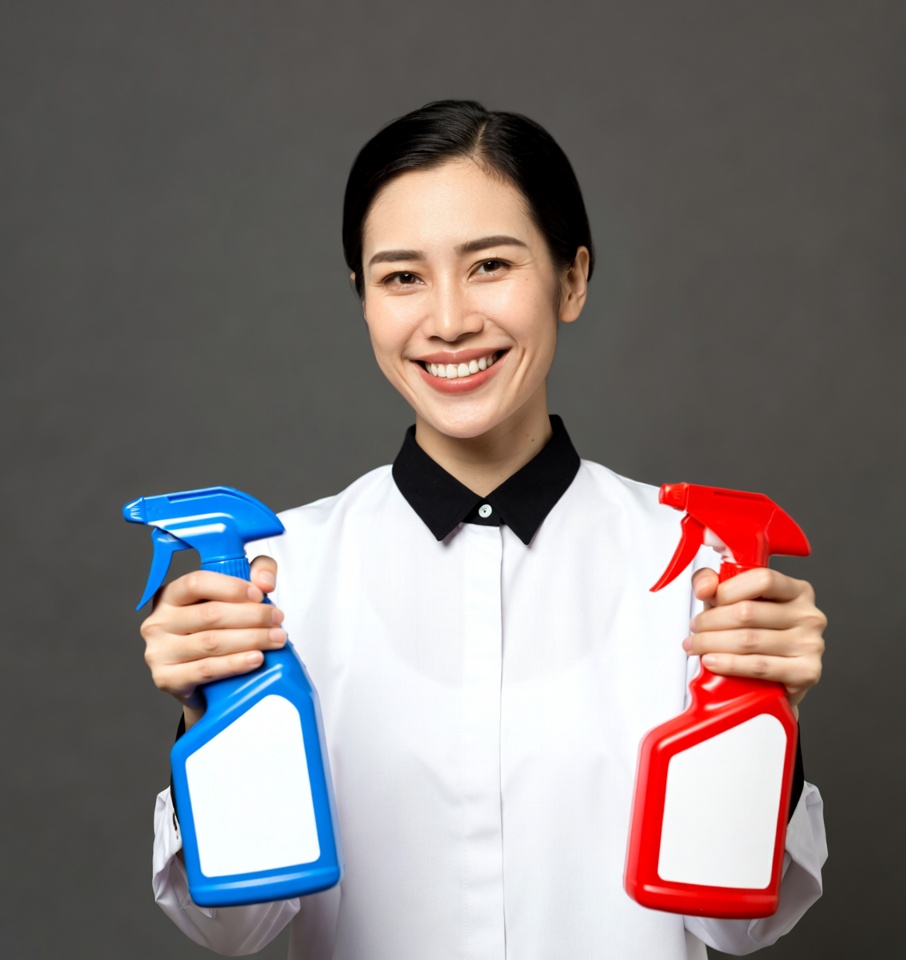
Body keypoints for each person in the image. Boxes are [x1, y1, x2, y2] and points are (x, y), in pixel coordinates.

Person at [144, 100, 827, 959]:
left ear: (571, 279)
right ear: (362, 301)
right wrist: (205, 715)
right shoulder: (273, 576)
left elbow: (738, 923)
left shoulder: (697, 566)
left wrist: (771, 719)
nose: (450, 319)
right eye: (402, 277)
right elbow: (233, 926)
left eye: (491, 264)